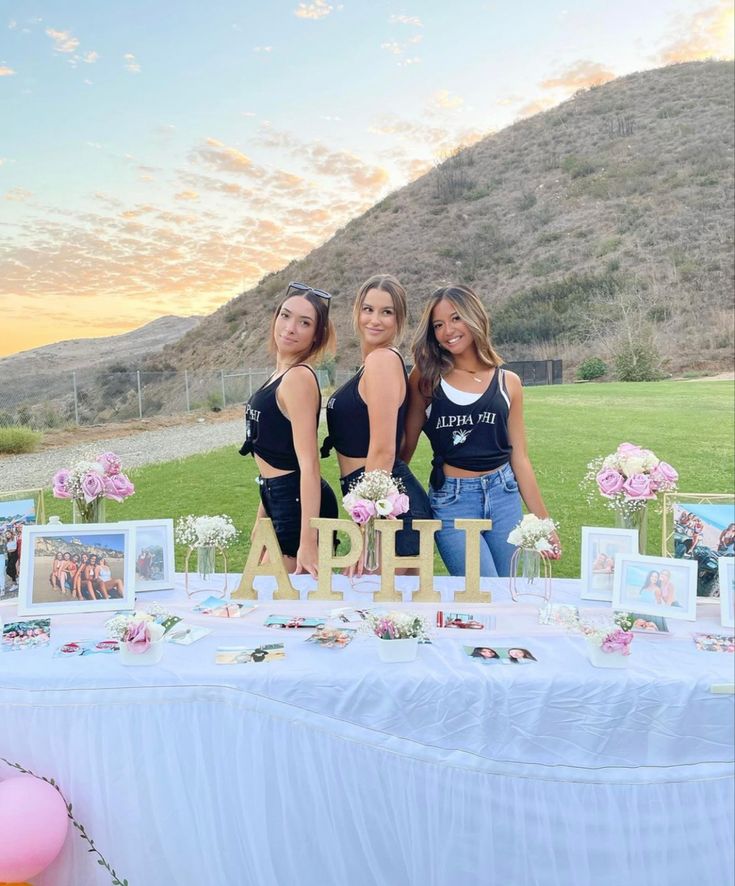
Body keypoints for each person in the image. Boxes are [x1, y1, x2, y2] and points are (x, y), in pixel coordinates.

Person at [401, 284, 560, 577]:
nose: (448, 330)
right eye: (438, 325)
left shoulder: (508, 382)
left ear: (475, 317)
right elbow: (405, 451)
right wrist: (379, 500)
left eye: (456, 318)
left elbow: (520, 458)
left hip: (504, 495)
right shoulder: (426, 378)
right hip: (452, 501)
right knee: (481, 592)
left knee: (510, 590)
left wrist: (543, 523)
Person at [321, 274, 432, 572]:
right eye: (368, 309)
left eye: (387, 312)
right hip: (377, 499)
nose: (375, 319)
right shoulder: (373, 363)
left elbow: (383, 450)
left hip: (386, 508)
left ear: (399, 320)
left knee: (385, 612)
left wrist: (365, 530)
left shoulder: (381, 360)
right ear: (357, 312)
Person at [239, 282, 338, 578]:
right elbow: (276, 456)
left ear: (316, 335)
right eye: (285, 315)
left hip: (298, 506)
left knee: (287, 605)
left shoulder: (298, 379)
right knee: (268, 601)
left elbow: (308, 464)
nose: (290, 327)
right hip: (276, 498)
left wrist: (307, 542)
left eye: (304, 322)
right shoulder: (278, 374)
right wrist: (263, 514)